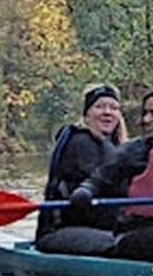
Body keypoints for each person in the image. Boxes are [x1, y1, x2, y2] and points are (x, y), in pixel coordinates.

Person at [68, 86, 153, 260]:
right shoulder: (133, 151)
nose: (145, 120)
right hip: (137, 231)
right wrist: (85, 190)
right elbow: (99, 178)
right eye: (145, 113)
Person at [35, 83, 126, 252]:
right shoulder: (80, 142)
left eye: (114, 108)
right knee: (125, 244)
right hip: (59, 232)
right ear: (87, 115)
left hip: (97, 228)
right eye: (100, 106)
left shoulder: (117, 147)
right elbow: (107, 182)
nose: (107, 112)